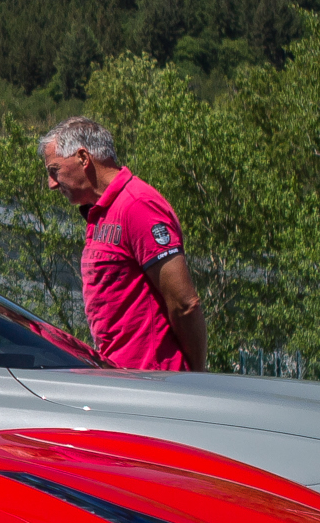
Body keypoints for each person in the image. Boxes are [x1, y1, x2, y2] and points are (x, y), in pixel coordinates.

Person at [39, 116, 205, 371]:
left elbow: (184, 304)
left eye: (55, 170)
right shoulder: (100, 211)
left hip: (154, 384)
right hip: (123, 381)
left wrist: (197, 376)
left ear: (83, 158)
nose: (52, 184)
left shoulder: (138, 205)